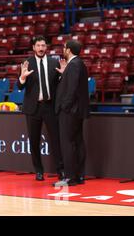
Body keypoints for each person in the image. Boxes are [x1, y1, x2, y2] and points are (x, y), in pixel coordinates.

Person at [18, 36, 65, 181]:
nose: (41, 48)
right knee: (34, 141)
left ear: (46, 47)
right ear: (33, 47)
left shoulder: (54, 62)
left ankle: (61, 170)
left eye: (43, 45)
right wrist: (23, 78)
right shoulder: (27, 63)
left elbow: (60, 86)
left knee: (56, 140)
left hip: (50, 107)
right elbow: (20, 87)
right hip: (33, 108)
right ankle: (38, 171)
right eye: (38, 45)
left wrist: (63, 75)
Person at [54, 40, 89, 187]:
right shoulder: (78, 64)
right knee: (77, 142)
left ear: (68, 50)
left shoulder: (74, 64)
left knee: (68, 143)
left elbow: (72, 88)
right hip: (77, 110)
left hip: (70, 111)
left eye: (64, 48)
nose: (63, 50)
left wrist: (65, 106)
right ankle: (79, 175)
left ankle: (70, 177)